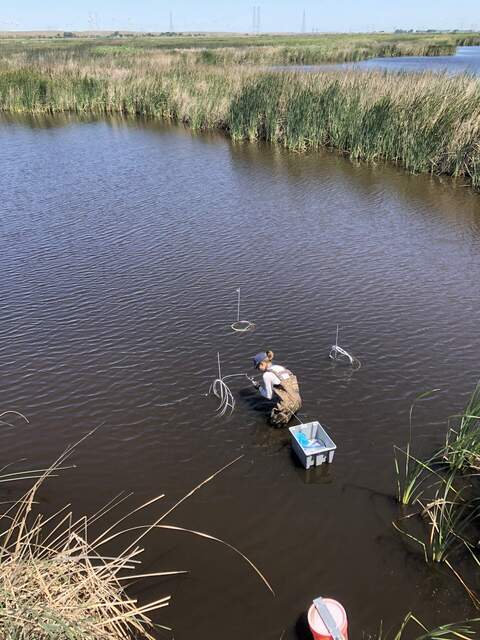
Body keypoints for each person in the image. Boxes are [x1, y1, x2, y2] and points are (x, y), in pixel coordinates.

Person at [250, 350, 302, 427]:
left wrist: (259, 387)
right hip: (298, 401)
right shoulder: (280, 367)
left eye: (258, 367)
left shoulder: (266, 375)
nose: (258, 370)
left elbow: (269, 396)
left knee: (272, 424)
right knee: (292, 422)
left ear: (262, 363)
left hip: (288, 406)